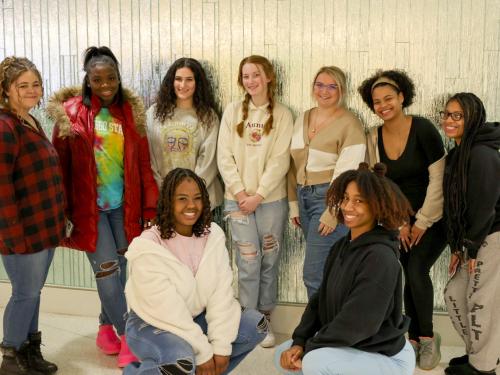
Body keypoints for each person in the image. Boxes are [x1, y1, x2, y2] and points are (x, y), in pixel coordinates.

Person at [46, 46, 159, 368]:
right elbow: (59, 169)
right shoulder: (70, 114)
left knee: (121, 272)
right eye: (98, 79)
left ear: (118, 77)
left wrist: (149, 212)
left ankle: (105, 328)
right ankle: (129, 338)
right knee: (107, 274)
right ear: (88, 80)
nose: (106, 84)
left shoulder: (129, 113)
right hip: (89, 212)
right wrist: (63, 212)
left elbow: (143, 166)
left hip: (123, 208)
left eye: (111, 78)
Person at [275, 163, 415, 375]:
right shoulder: (341, 246)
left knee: (314, 361)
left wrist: (310, 348)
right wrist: (300, 341)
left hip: (387, 357)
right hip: (356, 347)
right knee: (283, 355)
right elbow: (319, 301)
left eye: (359, 200)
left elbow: (358, 323)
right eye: (346, 198)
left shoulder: (380, 257)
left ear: (376, 206)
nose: (348, 206)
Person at [124, 168, 266, 375]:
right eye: (182, 198)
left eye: (197, 198)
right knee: (183, 360)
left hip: (194, 316)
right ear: (168, 202)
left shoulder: (212, 235)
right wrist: (203, 352)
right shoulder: (148, 247)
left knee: (256, 325)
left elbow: (221, 294)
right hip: (151, 322)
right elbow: (168, 311)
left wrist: (220, 347)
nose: (191, 206)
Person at [359, 69, 447, 370]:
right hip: (398, 218)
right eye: (377, 101)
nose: (383, 105)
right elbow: (379, 185)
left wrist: (421, 221)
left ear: (401, 97)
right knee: (404, 269)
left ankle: (427, 338)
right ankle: (410, 339)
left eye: (389, 98)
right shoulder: (374, 136)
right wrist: (399, 223)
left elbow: (439, 180)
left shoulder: (423, 129)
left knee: (417, 267)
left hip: (433, 217)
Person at [217, 55, 293, 348]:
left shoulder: (283, 114)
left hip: (270, 201)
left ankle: (265, 318)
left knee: (269, 260)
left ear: (268, 77)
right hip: (237, 201)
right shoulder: (232, 111)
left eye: (256, 75)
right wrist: (239, 194)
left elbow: (280, 159)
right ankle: (248, 321)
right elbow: (224, 157)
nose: (251, 81)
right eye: (246, 76)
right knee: (247, 261)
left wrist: (259, 194)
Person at [0, 57, 64, 375]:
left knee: (32, 292)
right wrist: (12, 233)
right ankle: (10, 357)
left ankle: (30, 352)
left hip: (42, 227)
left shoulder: (29, 120)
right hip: (21, 230)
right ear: (6, 90)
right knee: (25, 293)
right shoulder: (5, 126)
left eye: (35, 84)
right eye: (22, 85)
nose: (31, 90)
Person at [288, 66, 366, 299]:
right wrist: (294, 204)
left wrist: (333, 211)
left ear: (341, 90)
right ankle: (327, 328)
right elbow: (291, 165)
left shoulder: (350, 123)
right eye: (320, 84)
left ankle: (322, 332)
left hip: (328, 199)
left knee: (315, 275)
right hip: (303, 197)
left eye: (332, 86)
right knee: (325, 270)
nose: (325, 91)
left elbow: (349, 173)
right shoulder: (304, 117)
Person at [441, 93, 500, 375]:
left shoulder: (483, 153)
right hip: (470, 240)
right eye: (447, 114)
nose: (449, 120)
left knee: (481, 301)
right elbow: (454, 207)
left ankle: (484, 368)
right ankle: (477, 355)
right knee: (454, 294)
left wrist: (473, 249)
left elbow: (485, 206)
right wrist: (456, 248)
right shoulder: (458, 153)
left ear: (472, 118)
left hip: (491, 236)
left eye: (457, 115)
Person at [146, 57, 223, 209]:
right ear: (171, 82)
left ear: (197, 83)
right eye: (178, 79)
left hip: (199, 200)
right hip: (165, 198)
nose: (183, 85)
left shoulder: (208, 116)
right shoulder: (154, 114)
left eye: (189, 79)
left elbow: (209, 160)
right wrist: (168, 192)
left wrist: (188, 194)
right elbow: (151, 157)